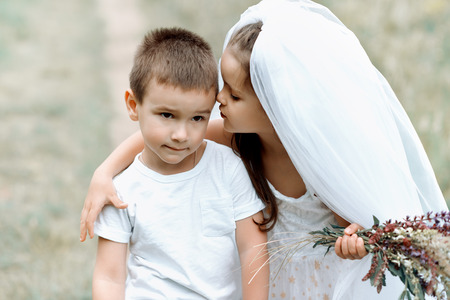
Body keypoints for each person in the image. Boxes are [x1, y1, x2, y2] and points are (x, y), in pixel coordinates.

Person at [83, 1, 448, 299]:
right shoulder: (236, 137)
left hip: (325, 285)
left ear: (277, 105)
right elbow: (152, 137)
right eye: (222, 86)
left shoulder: (321, 158)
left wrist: (356, 237)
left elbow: (358, 220)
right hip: (271, 282)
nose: (217, 100)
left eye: (234, 94)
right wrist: (105, 172)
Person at [91, 27, 269, 300]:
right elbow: (109, 278)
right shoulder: (121, 191)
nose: (181, 135)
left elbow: (252, 249)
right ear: (133, 105)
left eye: (197, 118)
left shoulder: (228, 168)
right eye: (167, 115)